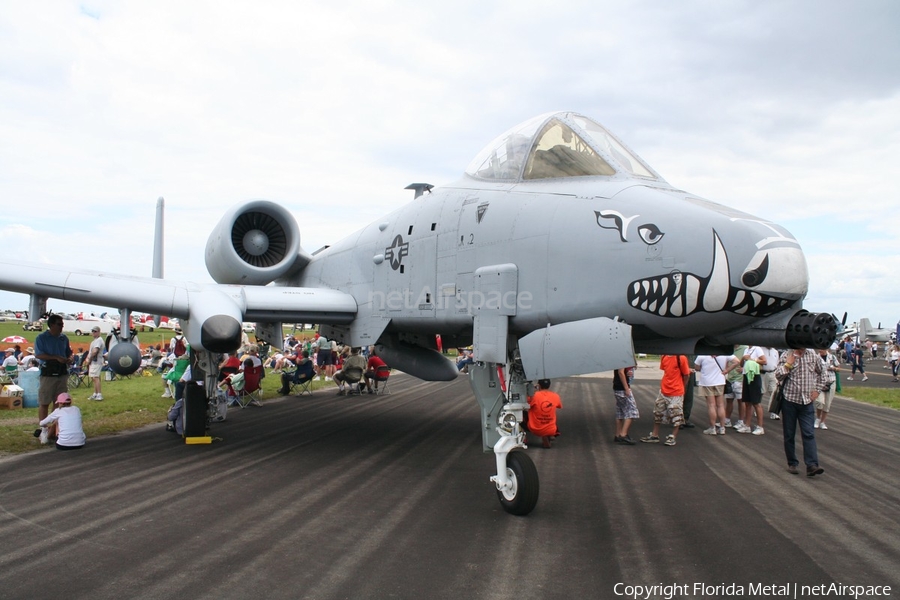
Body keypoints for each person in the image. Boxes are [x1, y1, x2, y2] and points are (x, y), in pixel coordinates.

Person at [775, 348, 826, 476]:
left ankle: (812, 465)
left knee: (808, 433)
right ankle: (792, 463)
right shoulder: (787, 355)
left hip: (807, 401)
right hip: (790, 400)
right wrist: (788, 364)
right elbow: (778, 375)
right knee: (789, 434)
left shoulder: (812, 355)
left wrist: (817, 390)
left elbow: (823, 373)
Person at [34, 314, 73, 436]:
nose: (61, 327)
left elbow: (69, 353)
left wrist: (70, 358)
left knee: (59, 403)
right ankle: (44, 429)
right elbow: (39, 355)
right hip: (48, 374)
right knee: (44, 402)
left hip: (61, 374)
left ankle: (53, 430)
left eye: (62, 324)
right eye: (59, 324)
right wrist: (56, 357)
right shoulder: (41, 338)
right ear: (51, 325)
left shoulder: (64, 338)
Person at [641, 355, 690, 446]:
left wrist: (682, 387)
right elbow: (666, 371)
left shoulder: (681, 358)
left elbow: (686, 374)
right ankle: (655, 435)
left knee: (676, 414)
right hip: (664, 390)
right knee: (658, 412)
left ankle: (673, 436)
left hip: (676, 391)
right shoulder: (664, 357)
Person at [695, 354, 737, 436]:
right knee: (720, 405)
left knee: (711, 405)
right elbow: (736, 361)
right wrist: (727, 370)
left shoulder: (702, 355)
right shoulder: (723, 353)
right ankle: (722, 428)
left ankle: (712, 428)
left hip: (707, 382)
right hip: (720, 381)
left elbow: (697, 367)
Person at [737, 346, 767, 435]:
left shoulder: (757, 349)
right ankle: (747, 425)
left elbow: (764, 361)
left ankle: (760, 427)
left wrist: (752, 359)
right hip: (746, 375)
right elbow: (741, 364)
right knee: (747, 402)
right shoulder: (746, 349)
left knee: (756, 402)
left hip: (755, 375)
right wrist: (743, 358)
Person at [526, 379, 562, 448]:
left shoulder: (534, 396)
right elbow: (559, 406)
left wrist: (533, 391)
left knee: (523, 415)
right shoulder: (555, 396)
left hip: (535, 428)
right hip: (551, 429)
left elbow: (526, 403)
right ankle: (551, 434)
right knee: (552, 415)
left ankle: (523, 438)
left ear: (539, 385)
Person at [612, 365, 639, 444]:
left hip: (617, 387)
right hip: (622, 388)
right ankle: (623, 434)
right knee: (632, 411)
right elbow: (620, 372)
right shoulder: (622, 358)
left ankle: (618, 435)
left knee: (620, 411)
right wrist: (626, 388)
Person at [815, 348, 840, 430]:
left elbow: (838, 368)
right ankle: (818, 418)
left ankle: (823, 422)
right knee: (820, 402)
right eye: (819, 349)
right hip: (820, 383)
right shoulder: (816, 357)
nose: (819, 351)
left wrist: (834, 368)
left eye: (821, 349)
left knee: (827, 404)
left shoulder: (832, 357)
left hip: (831, 382)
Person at [85, 325, 105, 400]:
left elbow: (95, 351)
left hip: (96, 361)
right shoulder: (95, 341)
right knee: (94, 378)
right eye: (93, 331)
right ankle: (95, 393)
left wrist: (89, 359)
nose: (93, 333)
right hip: (94, 362)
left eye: (95, 331)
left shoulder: (99, 340)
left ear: (99, 332)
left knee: (95, 377)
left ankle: (99, 394)